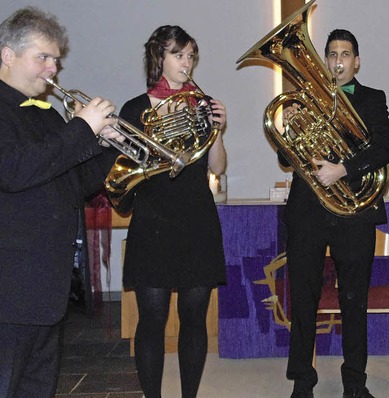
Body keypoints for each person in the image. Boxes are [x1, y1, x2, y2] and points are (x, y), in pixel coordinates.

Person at [0, 7, 122, 397]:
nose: (53, 70)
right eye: (43, 57)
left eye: (56, 60)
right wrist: (83, 128)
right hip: (9, 291)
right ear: (7, 55)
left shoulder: (48, 116)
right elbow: (14, 171)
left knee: (38, 387)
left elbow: (76, 187)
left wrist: (105, 147)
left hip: (46, 288)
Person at [281, 29, 389, 398]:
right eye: (332, 54)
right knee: (303, 297)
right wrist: (289, 126)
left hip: (353, 211)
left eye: (346, 54)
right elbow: (286, 159)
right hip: (308, 212)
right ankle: (303, 379)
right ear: (325, 60)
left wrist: (342, 169)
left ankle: (354, 382)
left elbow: (386, 145)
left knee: (353, 299)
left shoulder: (373, 99)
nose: (338, 60)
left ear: (356, 61)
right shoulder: (304, 98)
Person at [119, 25, 227, 398]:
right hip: (153, 221)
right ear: (159, 58)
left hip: (197, 219)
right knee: (151, 321)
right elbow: (125, 168)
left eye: (191, 55)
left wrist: (219, 131)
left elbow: (218, 167)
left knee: (194, 320)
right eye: (179, 55)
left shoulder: (203, 103)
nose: (187, 62)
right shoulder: (136, 108)